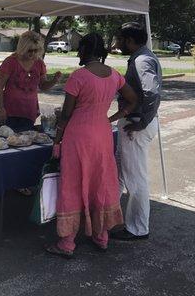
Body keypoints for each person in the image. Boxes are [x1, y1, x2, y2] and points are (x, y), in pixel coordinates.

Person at [45, 33, 138, 258]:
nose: (77, 52)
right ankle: (101, 237)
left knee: (73, 184)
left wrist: (57, 140)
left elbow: (66, 114)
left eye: (80, 49)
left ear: (85, 50)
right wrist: (115, 117)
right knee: (100, 182)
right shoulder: (114, 75)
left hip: (78, 137)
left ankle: (67, 243)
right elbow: (133, 99)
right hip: (102, 134)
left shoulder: (79, 77)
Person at [110, 22, 162, 241]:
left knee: (136, 178)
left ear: (130, 41)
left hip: (137, 125)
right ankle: (113, 217)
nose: (118, 44)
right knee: (123, 173)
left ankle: (138, 228)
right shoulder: (141, 57)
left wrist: (141, 122)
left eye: (121, 40)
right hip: (134, 123)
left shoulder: (141, 60)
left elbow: (151, 92)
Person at [0, 31, 61, 132]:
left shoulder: (39, 63)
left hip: (29, 112)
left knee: (25, 141)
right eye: (30, 50)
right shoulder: (10, 62)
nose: (33, 53)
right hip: (9, 111)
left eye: (36, 50)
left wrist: (54, 81)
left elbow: (43, 86)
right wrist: (0, 107)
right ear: (23, 48)